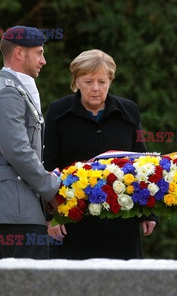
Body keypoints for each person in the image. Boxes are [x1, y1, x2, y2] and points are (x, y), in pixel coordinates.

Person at [44, 49, 157, 259]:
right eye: (88, 82)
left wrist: (147, 213)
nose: (96, 88)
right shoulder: (58, 112)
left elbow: (143, 163)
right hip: (74, 221)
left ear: (110, 82)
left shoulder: (128, 111)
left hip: (122, 218)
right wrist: (51, 216)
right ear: (76, 81)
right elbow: (49, 167)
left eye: (102, 82)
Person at [0, 26, 61, 259]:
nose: (43, 60)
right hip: (14, 202)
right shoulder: (8, 93)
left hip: (17, 200)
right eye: (38, 53)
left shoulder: (15, 90)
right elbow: (17, 150)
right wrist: (51, 189)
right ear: (19, 53)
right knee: (29, 284)